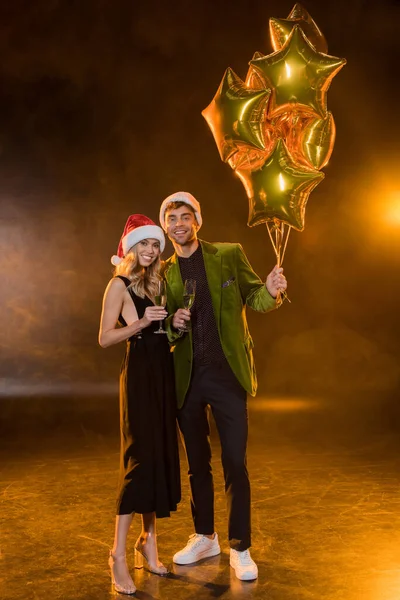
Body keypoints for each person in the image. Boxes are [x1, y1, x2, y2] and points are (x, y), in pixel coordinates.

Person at [159, 192, 287, 581]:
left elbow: (256, 298)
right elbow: (158, 327)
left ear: (198, 220)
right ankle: (204, 535)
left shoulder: (228, 253)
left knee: (234, 461)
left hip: (227, 375)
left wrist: (272, 289)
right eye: (171, 218)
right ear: (165, 227)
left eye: (185, 216)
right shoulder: (162, 272)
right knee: (197, 464)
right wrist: (172, 325)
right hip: (187, 380)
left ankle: (240, 547)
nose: (179, 223)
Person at [99, 214, 181, 595]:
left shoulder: (156, 284)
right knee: (138, 460)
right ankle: (116, 555)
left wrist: (175, 323)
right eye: (144, 244)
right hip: (138, 377)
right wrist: (141, 323)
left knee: (158, 456)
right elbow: (104, 338)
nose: (150, 250)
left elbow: (162, 334)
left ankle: (149, 541)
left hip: (161, 374)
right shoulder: (117, 285)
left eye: (155, 246)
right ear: (131, 247)